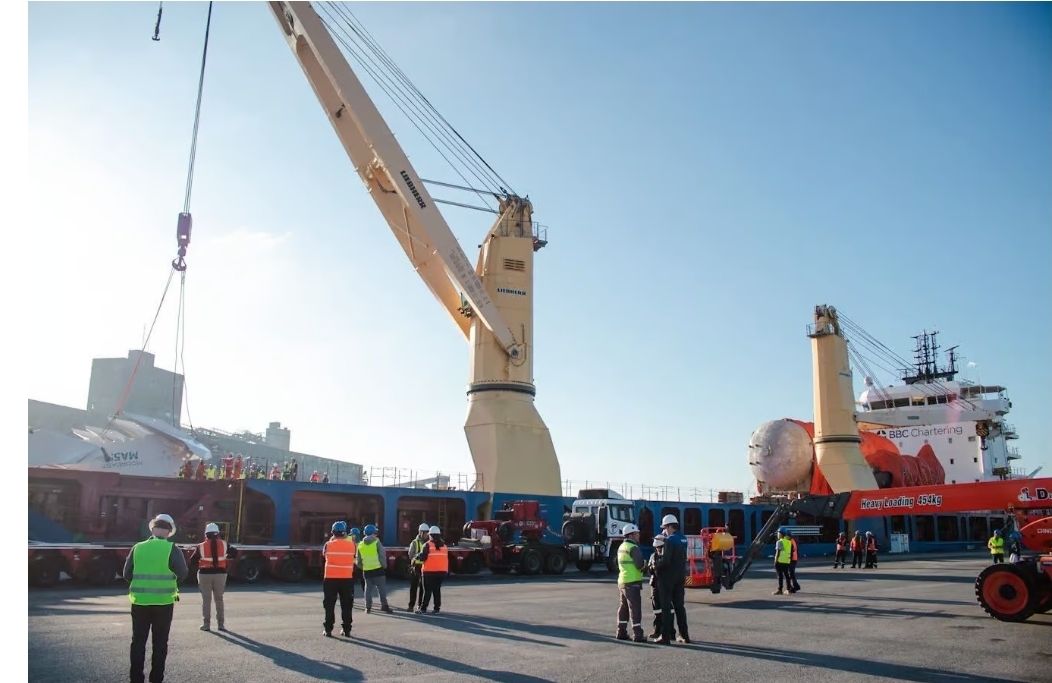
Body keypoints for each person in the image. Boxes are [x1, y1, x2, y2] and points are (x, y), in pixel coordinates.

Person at [124, 513, 188, 683]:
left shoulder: (137, 547)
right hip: (164, 603)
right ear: (169, 532)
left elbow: (126, 574)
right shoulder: (172, 549)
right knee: (160, 643)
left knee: (138, 641)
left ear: (152, 529)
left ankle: (136, 678)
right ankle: (156, 679)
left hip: (140, 602)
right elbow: (183, 573)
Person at [191, 522, 238, 632]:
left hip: (204, 575)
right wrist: (227, 557)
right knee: (219, 599)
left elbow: (192, 560)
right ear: (217, 533)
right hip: (221, 574)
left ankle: (206, 625)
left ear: (206, 534)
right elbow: (234, 553)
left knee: (206, 600)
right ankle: (221, 624)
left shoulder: (201, 546)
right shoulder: (224, 544)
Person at [653, 514, 689, 644]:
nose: (665, 530)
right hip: (680, 576)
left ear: (669, 526)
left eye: (665, 527)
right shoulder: (684, 539)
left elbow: (666, 560)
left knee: (666, 607)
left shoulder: (670, 540)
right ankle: (684, 635)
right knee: (680, 606)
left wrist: (655, 566)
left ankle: (666, 636)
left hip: (667, 578)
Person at [321, 521, 356, 637]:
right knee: (346, 605)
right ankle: (347, 630)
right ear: (345, 533)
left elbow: (324, 554)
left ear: (333, 532)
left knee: (329, 604)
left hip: (330, 578)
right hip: (346, 578)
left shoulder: (328, 544)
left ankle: (328, 629)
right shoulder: (352, 545)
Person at [614, 523, 646, 642]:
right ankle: (638, 634)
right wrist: (647, 565)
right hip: (632, 582)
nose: (638, 536)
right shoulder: (633, 548)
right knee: (635, 608)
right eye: (637, 534)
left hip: (622, 581)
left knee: (624, 607)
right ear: (631, 535)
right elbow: (639, 565)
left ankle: (621, 631)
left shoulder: (621, 547)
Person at [356, 524, 393, 614]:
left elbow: (358, 560)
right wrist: (384, 566)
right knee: (381, 589)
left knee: (367, 590)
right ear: (373, 533)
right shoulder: (377, 542)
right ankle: (384, 606)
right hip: (378, 570)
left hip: (367, 571)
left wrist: (363, 567)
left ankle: (368, 608)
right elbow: (382, 556)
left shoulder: (360, 544)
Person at [413, 525, 449, 614]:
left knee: (427, 591)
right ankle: (437, 608)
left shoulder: (427, 545)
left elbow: (422, 558)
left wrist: (416, 556)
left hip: (429, 572)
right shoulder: (444, 546)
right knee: (437, 590)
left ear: (430, 535)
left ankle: (423, 608)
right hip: (442, 572)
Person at [647, 535, 675, 640]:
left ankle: (670, 631)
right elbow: (650, 569)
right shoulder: (653, 556)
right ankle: (657, 630)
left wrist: (657, 567)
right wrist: (653, 566)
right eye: (657, 548)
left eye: (660, 548)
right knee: (656, 609)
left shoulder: (667, 557)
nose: (658, 550)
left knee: (668, 608)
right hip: (655, 585)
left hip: (665, 585)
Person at [407, 522, 430, 612]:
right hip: (416, 567)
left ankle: (419, 606)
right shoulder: (414, 542)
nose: (426, 535)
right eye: (425, 533)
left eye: (427, 533)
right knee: (413, 587)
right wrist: (417, 557)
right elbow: (410, 554)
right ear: (421, 533)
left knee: (422, 588)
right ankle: (411, 605)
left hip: (425, 567)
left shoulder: (428, 543)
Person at [773, 528, 792, 595]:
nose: (777, 535)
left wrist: (775, 560)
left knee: (780, 576)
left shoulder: (779, 542)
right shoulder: (789, 542)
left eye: (778, 533)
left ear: (781, 534)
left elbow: (778, 551)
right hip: (786, 561)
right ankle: (788, 590)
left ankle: (780, 590)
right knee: (787, 576)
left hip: (780, 561)